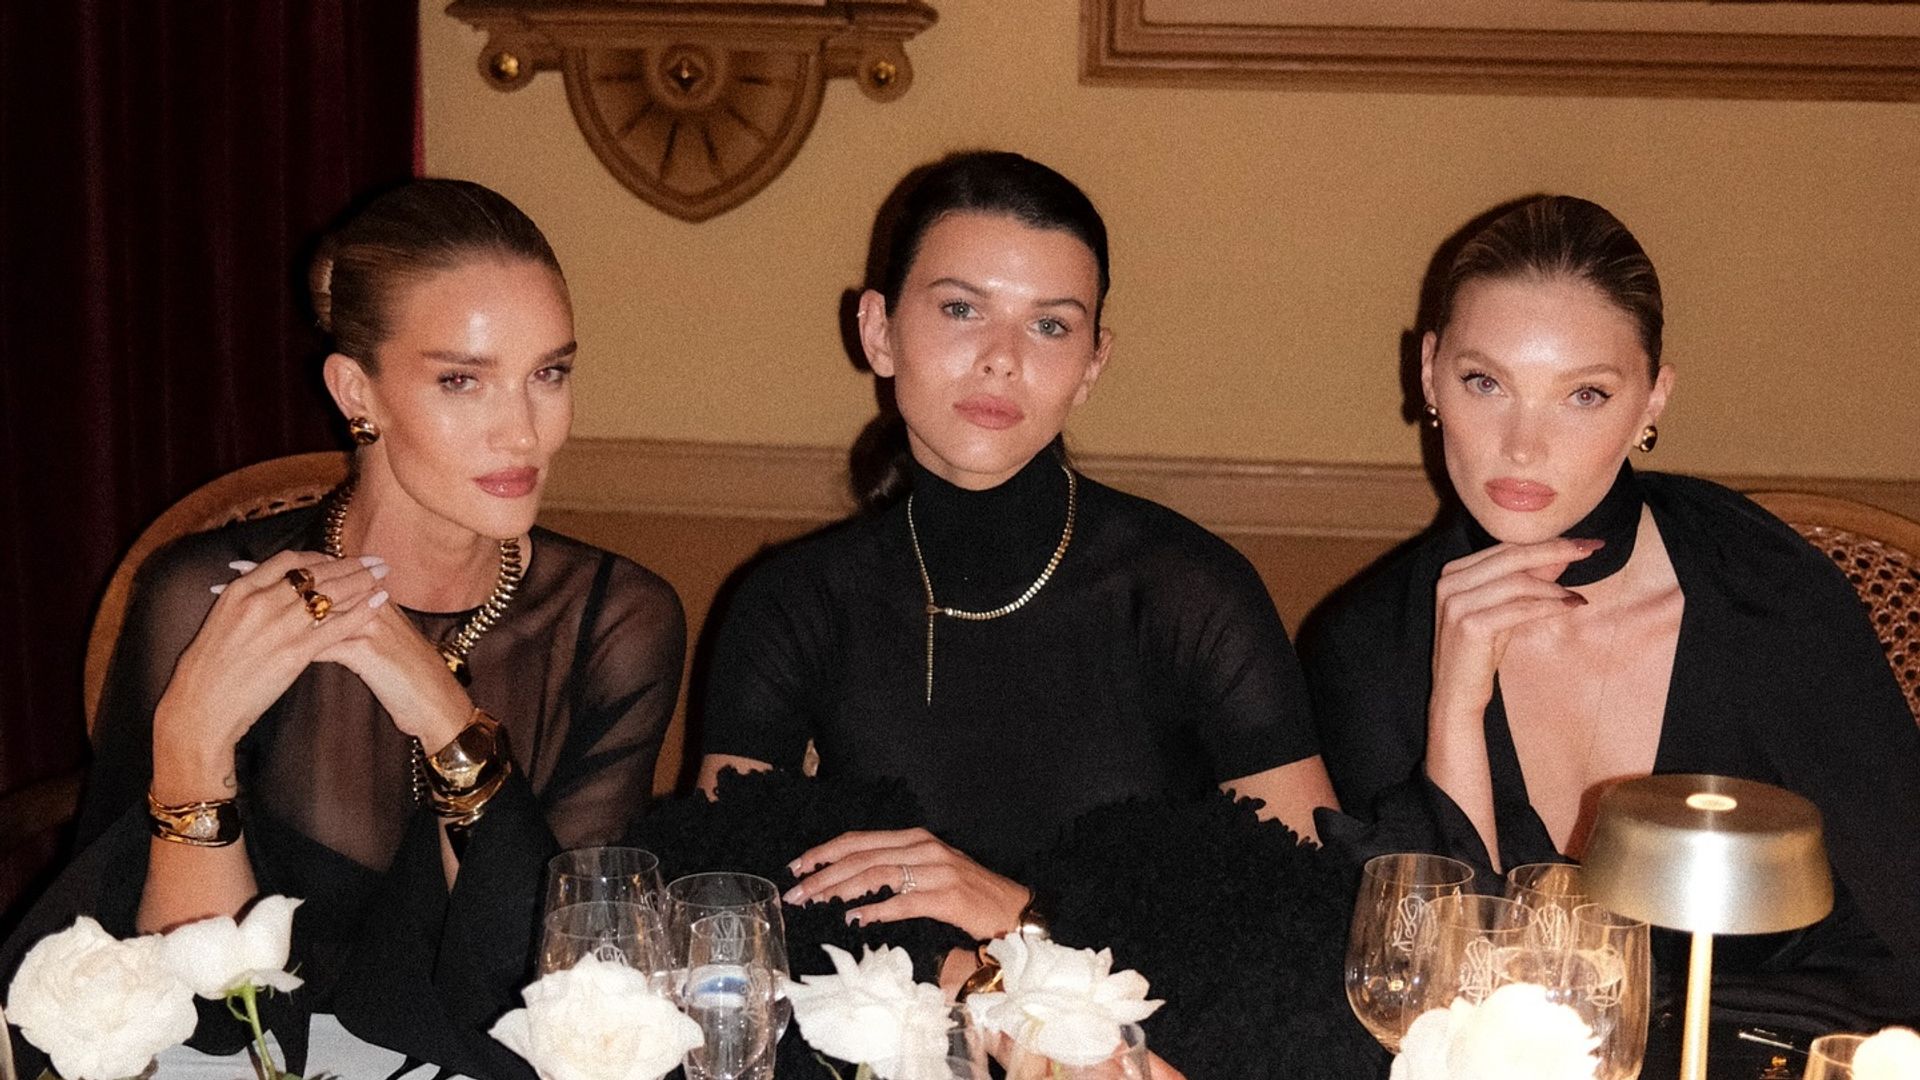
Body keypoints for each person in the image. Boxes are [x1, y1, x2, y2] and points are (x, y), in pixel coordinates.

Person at [6, 179, 684, 1077]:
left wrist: (442, 711)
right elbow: (203, 1022)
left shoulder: (615, 621)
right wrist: (191, 740)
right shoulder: (201, 598)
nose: (524, 433)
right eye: (462, 380)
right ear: (357, 390)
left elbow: (556, 997)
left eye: (548, 374)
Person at [697, 151, 1338, 958]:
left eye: (1049, 325)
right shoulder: (794, 604)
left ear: (1092, 365)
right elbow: (720, 917)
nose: (1003, 356)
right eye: (961, 309)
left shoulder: (1190, 594)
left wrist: (1020, 918)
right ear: (878, 331)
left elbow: (1311, 913)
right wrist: (950, 979)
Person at [1303, 195, 1920, 1030]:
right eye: (1485, 382)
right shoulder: (1367, 646)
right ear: (1429, 372)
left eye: (1584, 394)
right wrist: (1455, 714)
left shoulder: (1767, 593)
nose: (1523, 446)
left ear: (1652, 401)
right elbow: (1432, 1002)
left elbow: (1902, 934)